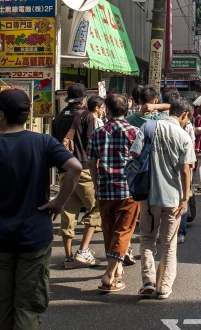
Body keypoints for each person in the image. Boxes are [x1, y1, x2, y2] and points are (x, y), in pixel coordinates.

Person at [0, 89, 81, 329]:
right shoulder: (44, 143)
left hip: (0, 235)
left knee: (0, 303)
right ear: (26, 114)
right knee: (29, 305)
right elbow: (74, 167)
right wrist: (59, 202)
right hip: (35, 234)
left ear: (0, 115)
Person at [130, 98, 196, 299]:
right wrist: (185, 198)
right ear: (184, 114)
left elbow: (134, 153)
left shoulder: (148, 127)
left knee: (147, 240)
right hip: (173, 198)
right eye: (188, 118)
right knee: (168, 244)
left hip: (148, 196)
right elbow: (186, 170)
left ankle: (148, 281)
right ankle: (164, 286)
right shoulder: (183, 136)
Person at [88, 94, 139, 293]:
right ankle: (109, 274)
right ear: (126, 110)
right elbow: (141, 160)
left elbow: (91, 162)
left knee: (109, 230)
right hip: (128, 188)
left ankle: (116, 267)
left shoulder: (98, 133)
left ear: (107, 109)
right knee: (124, 231)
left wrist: (96, 182)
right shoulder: (134, 132)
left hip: (104, 188)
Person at [51, 83, 100, 268]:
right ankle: (84, 250)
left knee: (69, 212)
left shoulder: (58, 117)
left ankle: (68, 256)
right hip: (84, 169)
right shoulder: (87, 115)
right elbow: (90, 144)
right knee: (96, 208)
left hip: (64, 170)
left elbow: (54, 144)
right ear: (83, 99)